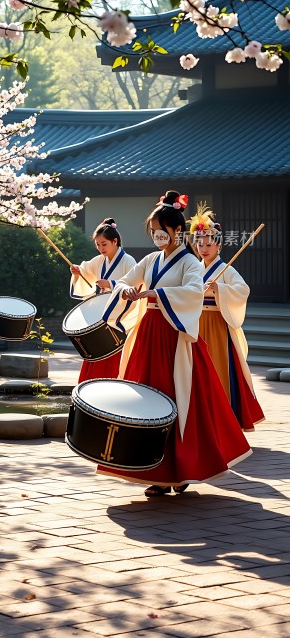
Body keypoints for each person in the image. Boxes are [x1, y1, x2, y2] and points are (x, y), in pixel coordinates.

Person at [98, 191, 251, 497]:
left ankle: (179, 470)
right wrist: (125, 290)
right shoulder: (150, 260)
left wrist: (155, 294)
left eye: (160, 230)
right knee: (144, 398)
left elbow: (193, 292)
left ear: (177, 230)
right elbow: (127, 280)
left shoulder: (190, 262)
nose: (156, 235)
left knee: (177, 400)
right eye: (152, 231)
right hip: (148, 336)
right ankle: (153, 471)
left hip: (175, 338)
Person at [188, 204, 264, 431]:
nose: (203, 248)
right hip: (196, 324)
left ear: (219, 245)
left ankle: (223, 419)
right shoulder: (194, 269)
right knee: (196, 372)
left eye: (209, 243)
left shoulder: (227, 270)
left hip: (217, 326)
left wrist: (220, 288)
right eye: (199, 243)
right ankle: (201, 417)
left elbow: (243, 290)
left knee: (219, 368)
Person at [70, 218, 136, 383]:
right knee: (97, 350)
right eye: (98, 245)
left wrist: (112, 284)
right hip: (102, 314)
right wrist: (78, 272)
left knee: (115, 354)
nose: (100, 248)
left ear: (115, 241)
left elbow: (135, 285)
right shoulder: (99, 261)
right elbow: (86, 271)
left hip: (120, 315)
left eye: (104, 244)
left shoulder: (128, 261)